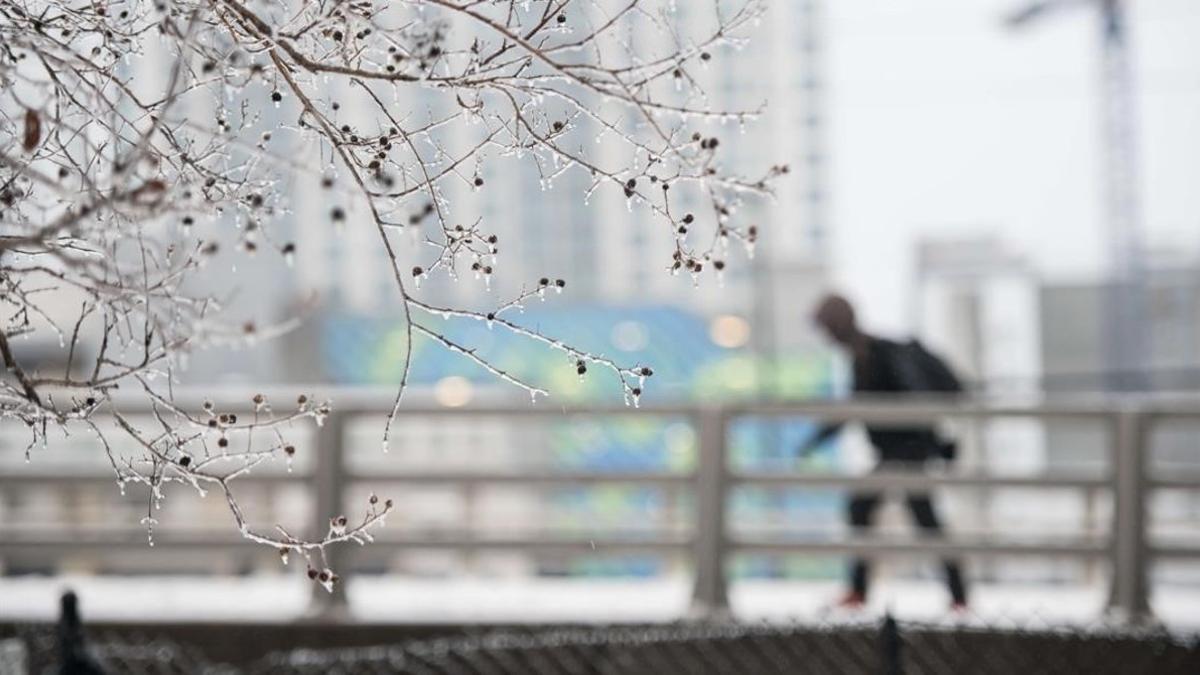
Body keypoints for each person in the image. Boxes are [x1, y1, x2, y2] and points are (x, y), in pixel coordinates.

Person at [799, 293, 968, 611]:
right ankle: (954, 595)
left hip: (907, 452)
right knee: (910, 517)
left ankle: (953, 596)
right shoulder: (865, 355)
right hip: (899, 453)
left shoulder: (878, 354)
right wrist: (817, 439)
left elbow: (896, 400)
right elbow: (856, 406)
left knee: (885, 511)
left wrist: (817, 439)